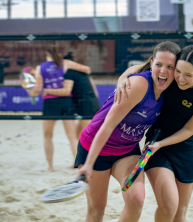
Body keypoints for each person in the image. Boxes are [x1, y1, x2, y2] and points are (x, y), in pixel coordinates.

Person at [74, 41, 181, 222]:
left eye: (170, 67)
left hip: (126, 150)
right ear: (152, 63)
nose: (163, 71)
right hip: (96, 147)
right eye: (159, 65)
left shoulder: (171, 90)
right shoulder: (139, 84)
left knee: (136, 200)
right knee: (97, 210)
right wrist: (88, 164)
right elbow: (107, 125)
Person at [115, 44, 193, 222]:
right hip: (156, 145)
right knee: (169, 206)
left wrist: (162, 143)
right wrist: (123, 78)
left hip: (185, 149)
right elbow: (141, 67)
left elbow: (189, 129)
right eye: (178, 71)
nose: (181, 79)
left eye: (188, 75)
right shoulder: (169, 77)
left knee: (180, 213)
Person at [27, 45, 91, 172]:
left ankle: (50, 167)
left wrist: (30, 90)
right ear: (60, 53)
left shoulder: (41, 67)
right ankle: (78, 164)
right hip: (66, 102)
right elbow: (87, 70)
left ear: (46, 53)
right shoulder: (66, 63)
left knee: (47, 136)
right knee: (72, 136)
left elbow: (37, 91)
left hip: (50, 103)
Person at [42, 53, 100, 139]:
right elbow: (96, 93)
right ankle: (79, 152)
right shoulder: (85, 73)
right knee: (78, 136)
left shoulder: (69, 72)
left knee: (88, 138)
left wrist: (47, 90)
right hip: (95, 103)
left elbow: (66, 91)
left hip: (85, 106)